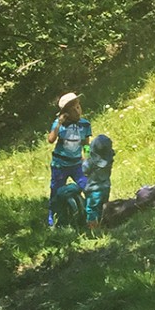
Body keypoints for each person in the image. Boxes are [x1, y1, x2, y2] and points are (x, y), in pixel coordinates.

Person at [46, 92, 91, 227]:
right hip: (60, 165)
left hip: (77, 163)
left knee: (88, 187)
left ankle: (89, 215)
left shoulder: (85, 124)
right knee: (56, 191)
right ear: (65, 113)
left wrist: (87, 158)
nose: (77, 111)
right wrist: (59, 123)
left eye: (78, 107)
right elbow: (51, 139)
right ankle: (53, 219)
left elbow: (86, 144)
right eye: (73, 109)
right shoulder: (59, 124)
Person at [84, 134, 115, 233]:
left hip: (93, 189)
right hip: (106, 187)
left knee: (92, 209)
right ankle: (105, 223)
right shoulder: (109, 159)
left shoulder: (91, 162)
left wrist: (86, 158)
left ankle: (94, 230)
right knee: (103, 206)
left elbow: (84, 170)